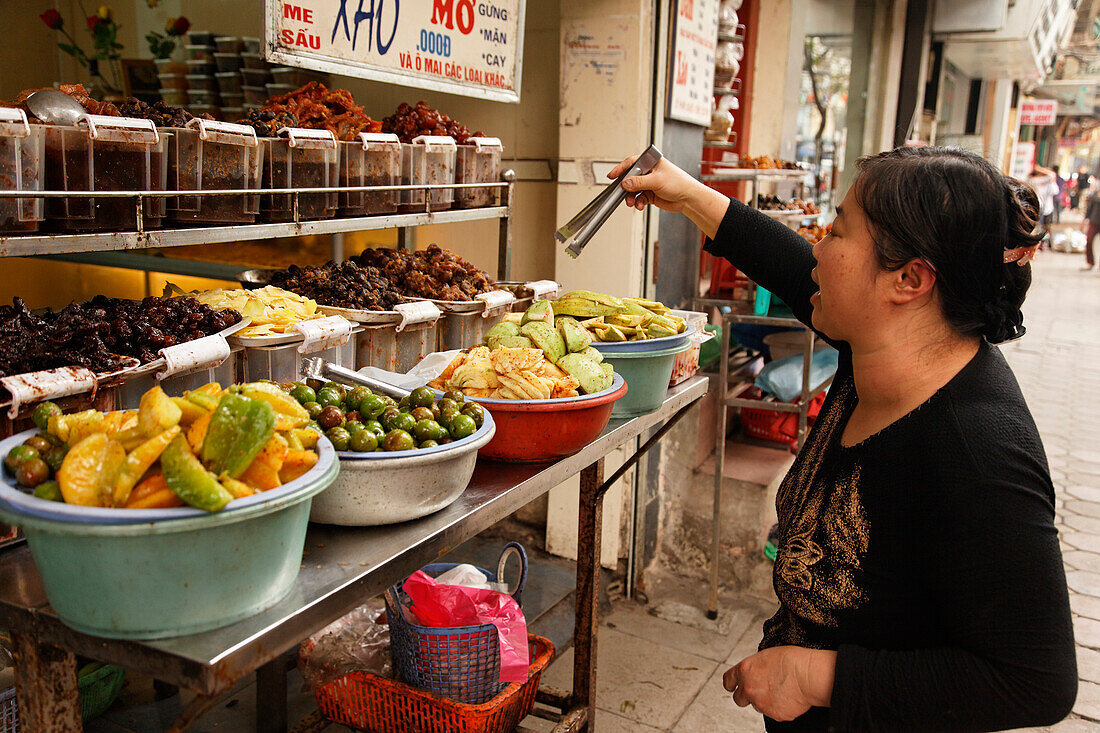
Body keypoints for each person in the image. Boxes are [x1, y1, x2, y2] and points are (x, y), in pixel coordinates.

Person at [608, 145, 1076, 731]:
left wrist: (814, 678)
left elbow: (1035, 679)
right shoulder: (884, 343)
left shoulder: (978, 452)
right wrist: (690, 196)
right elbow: (790, 264)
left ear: (909, 279)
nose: (818, 247)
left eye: (837, 232)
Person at [1027, 165, 1058, 242]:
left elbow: (1055, 190)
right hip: (1037, 207)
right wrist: (1042, 170)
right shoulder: (1034, 181)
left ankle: (1042, 242)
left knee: (1044, 227)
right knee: (1036, 226)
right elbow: (1052, 175)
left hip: (1047, 209)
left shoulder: (1048, 183)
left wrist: (1041, 169)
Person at [1081, 181, 1100, 270]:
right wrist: (1084, 221)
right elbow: (1089, 208)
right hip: (1094, 221)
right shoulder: (1095, 194)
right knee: (1089, 240)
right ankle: (1090, 262)